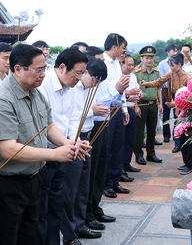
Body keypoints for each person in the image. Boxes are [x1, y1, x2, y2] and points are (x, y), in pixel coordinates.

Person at [0, 44, 78, 245]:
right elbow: (7, 149)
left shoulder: (35, 93)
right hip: (5, 184)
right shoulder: (1, 100)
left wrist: (67, 143)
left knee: (28, 236)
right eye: (38, 69)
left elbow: (48, 126)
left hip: (32, 179)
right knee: (3, 238)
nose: (43, 74)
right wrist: (54, 154)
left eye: (44, 69)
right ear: (17, 69)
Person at [36, 48, 91, 245]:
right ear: (61, 67)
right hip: (45, 154)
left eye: (83, 73)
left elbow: (73, 117)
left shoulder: (71, 88)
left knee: (57, 204)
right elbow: (46, 125)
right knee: (42, 208)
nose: (80, 78)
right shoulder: (43, 87)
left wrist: (75, 141)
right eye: (78, 73)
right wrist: (66, 143)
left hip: (64, 152)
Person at [61, 57, 108, 244]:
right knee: (70, 189)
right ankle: (69, 231)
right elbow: (71, 115)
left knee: (83, 187)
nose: (94, 84)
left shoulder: (89, 89)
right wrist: (91, 112)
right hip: (73, 140)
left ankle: (80, 224)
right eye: (94, 80)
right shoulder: (73, 88)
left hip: (86, 137)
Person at [141, 53, 192, 175]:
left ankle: (191, 163)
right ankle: (186, 162)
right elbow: (159, 81)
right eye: (170, 65)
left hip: (188, 111)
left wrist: (175, 104)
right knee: (182, 137)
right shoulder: (171, 74)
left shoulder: (188, 78)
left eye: (173, 65)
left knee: (189, 137)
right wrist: (146, 84)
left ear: (179, 64)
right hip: (179, 110)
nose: (171, 68)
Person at [102, 33, 131, 199]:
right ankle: (106, 184)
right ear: (114, 47)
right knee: (108, 148)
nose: (123, 51)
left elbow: (121, 89)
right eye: (122, 48)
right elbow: (108, 88)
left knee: (118, 147)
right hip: (106, 109)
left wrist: (125, 109)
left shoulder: (116, 64)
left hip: (118, 108)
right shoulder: (102, 62)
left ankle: (114, 181)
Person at [133, 46, 162, 166]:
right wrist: (135, 106)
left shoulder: (156, 72)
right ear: (142, 58)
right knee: (139, 133)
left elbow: (159, 88)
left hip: (152, 104)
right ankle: (138, 155)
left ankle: (151, 154)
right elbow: (134, 90)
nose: (149, 60)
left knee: (152, 132)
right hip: (141, 104)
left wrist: (160, 103)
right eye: (146, 58)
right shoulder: (136, 72)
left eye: (151, 58)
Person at [120, 55, 141, 178]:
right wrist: (129, 94)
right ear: (122, 64)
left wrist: (137, 101)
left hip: (132, 108)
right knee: (121, 140)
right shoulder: (120, 77)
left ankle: (127, 163)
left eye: (133, 64)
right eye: (128, 65)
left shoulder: (133, 76)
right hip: (123, 110)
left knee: (130, 139)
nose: (131, 67)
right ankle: (121, 167)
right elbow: (119, 92)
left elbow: (136, 90)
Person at [157, 44, 180, 153]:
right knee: (166, 113)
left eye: (176, 51)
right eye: (173, 51)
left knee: (177, 112)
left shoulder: (178, 63)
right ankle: (166, 135)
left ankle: (176, 134)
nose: (174, 52)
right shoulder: (162, 64)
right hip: (166, 90)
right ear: (167, 52)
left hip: (176, 91)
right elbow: (162, 78)